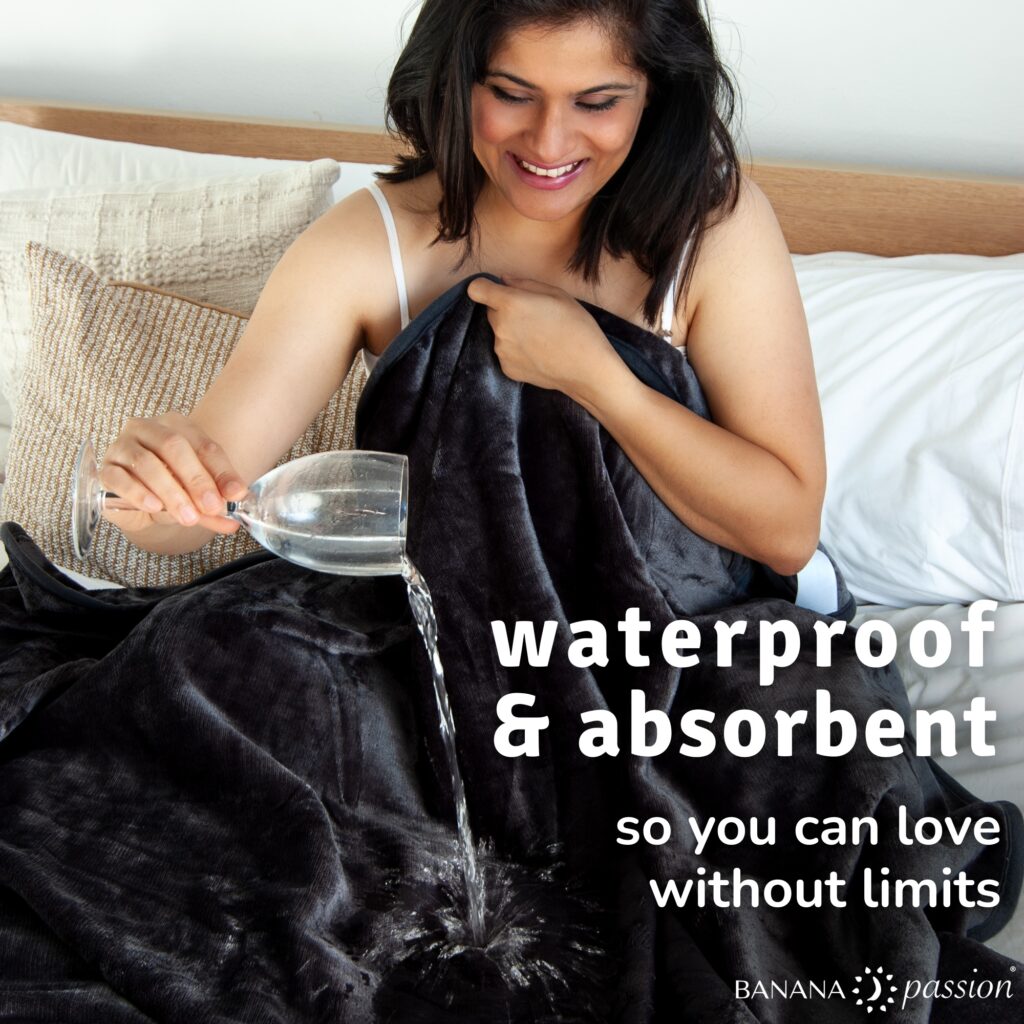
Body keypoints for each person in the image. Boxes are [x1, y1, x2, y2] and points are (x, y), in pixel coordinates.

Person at [99, 0, 825, 581]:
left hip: (665, 655)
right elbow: (194, 508)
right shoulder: (367, 246)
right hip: (439, 648)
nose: (548, 143)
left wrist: (599, 377)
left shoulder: (715, 226)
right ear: (455, 78)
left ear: (654, 96)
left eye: (597, 103)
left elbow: (788, 535)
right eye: (512, 94)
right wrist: (148, 489)